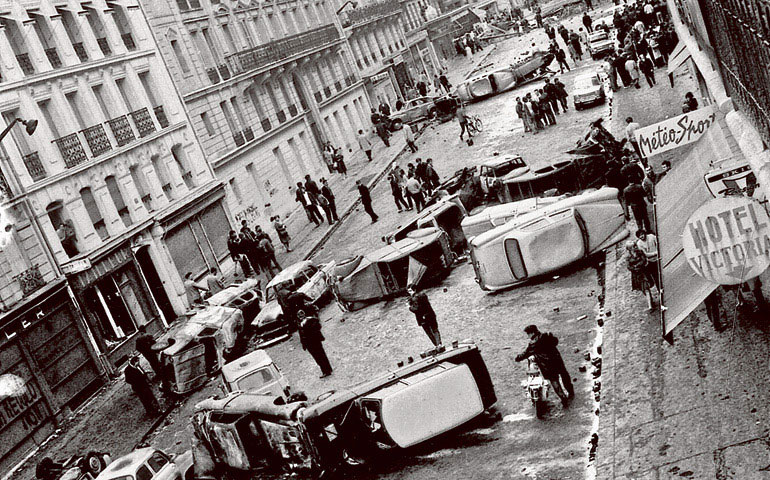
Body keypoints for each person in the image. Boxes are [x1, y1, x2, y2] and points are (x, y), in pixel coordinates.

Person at [277, 288, 333, 378]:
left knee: (319, 356)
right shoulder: (300, 296)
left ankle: (326, 371)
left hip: (313, 341)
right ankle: (327, 369)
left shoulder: (306, 320)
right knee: (321, 355)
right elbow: (310, 300)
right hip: (311, 341)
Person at [514, 325, 574, 407]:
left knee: (554, 381)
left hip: (547, 365)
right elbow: (555, 341)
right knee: (564, 374)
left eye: (528, 334)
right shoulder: (546, 335)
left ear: (532, 333)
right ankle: (570, 391)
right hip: (557, 359)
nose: (528, 336)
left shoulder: (533, 343)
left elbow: (526, 353)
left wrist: (518, 358)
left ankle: (563, 398)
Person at [626, 241, 654, 310]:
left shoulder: (640, 252)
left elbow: (643, 260)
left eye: (635, 246)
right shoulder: (628, 257)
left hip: (643, 272)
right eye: (633, 246)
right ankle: (650, 300)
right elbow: (628, 266)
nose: (635, 247)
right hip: (637, 275)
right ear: (629, 248)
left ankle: (650, 306)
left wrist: (637, 265)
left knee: (646, 288)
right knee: (644, 289)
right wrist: (634, 268)